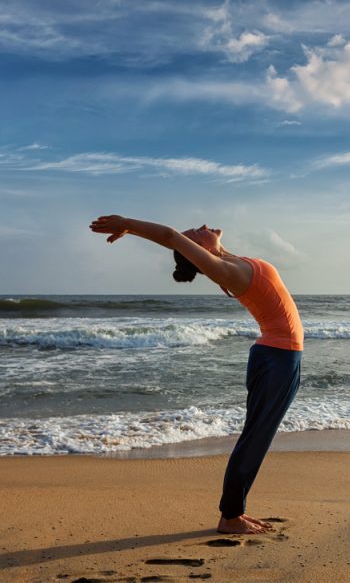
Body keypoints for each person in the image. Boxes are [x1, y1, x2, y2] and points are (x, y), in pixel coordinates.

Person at [89, 216, 303, 535]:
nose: (201, 226)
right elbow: (171, 236)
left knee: (257, 435)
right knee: (256, 437)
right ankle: (231, 516)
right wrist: (126, 224)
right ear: (197, 248)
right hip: (277, 358)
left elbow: (181, 241)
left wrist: (141, 232)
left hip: (281, 356)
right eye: (194, 232)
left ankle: (233, 511)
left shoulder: (228, 260)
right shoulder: (228, 271)